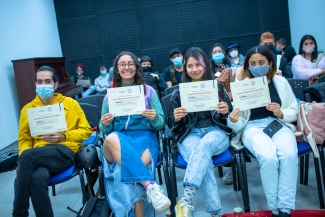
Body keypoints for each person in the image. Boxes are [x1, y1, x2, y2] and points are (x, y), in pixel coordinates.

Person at [227, 46, 298, 217]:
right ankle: (275, 209)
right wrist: (234, 120)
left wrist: (281, 112)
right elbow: (237, 121)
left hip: (277, 123)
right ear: (247, 66)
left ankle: (285, 209)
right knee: (268, 157)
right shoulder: (241, 87)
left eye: (261, 62)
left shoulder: (281, 82)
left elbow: (294, 110)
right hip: (252, 126)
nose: (257, 66)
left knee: (288, 155)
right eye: (252, 63)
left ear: (270, 63)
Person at [13, 66, 92, 217]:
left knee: (27, 158)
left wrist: (64, 136)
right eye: (39, 82)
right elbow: (24, 139)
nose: (43, 85)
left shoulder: (70, 103)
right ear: (35, 84)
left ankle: (19, 213)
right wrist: (25, 155)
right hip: (36, 156)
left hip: (64, 151)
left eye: (47, 81)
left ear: (55, 85)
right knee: (37, 177)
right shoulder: (28, 109)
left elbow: (86, 131)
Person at [99, 51, 171, 217]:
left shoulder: (149, 91)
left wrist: (154, 117)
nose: (127, 67)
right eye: (122, 64)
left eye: (131, 63)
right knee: (111, 138)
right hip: (117, 141)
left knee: (126, 170)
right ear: (116, 69)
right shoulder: (110, 97)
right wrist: (106, 123)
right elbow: (104, 130)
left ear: (136, 67)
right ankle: (150, 186)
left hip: (144, 138)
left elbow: (160, 124)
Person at [170, 47, 232, 217]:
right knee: (204, 160)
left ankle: (185, 200)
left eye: (198, 64)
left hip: (215, 132)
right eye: (190, 66)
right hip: (189, 134)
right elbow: (172, 127)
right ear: (185, 68)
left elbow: (232, 119)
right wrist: (176, 118)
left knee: (205, 145)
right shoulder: (178, 93)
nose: (194, 69)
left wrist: (226, 111)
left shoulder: (218, 87)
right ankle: (215, 213)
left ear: (205, 65)